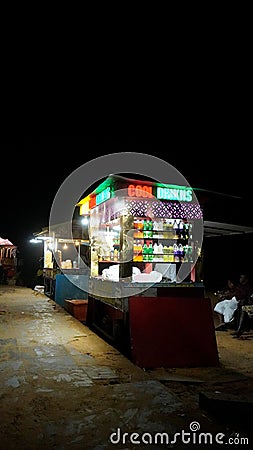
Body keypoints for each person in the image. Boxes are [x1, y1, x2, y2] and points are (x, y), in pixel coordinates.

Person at [230, 274, 253, 338]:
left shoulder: (249, 287)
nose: (240, 279)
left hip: (247, 305)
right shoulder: (240, 286)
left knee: (242, 310)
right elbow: (237, 294)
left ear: (246, 279)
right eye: (240, 277)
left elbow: (248, 297)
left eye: (242, 278)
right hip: (241, 304)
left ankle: (239, 330)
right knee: (238, 311)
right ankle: (238, 329)